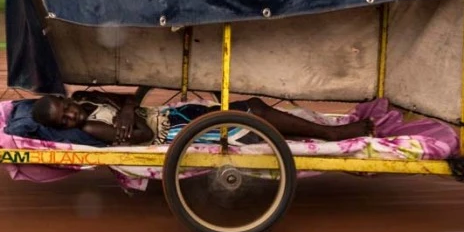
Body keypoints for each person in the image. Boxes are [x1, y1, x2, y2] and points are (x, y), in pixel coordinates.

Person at [31, 89, 373, 146]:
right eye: (64, 122)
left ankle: (312, 132)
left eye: (65, 109)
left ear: (65, 99)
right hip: (174, 131)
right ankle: (331, 135)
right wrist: (128, 115)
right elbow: (142, 137)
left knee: (251, 105)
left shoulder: (85, 98)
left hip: (172, 114)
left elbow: (128, 99)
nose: (71, 116)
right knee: (253, 114)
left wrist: (127, 109)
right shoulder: (92, 126)